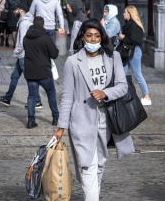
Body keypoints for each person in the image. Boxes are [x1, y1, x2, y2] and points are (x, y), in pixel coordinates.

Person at [53, 20, 134, 201]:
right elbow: (67, 97)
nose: (93, 39)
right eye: (89, 35)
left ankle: (91, 195)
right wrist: (61, 127)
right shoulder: (73, 62)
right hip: (81, 120)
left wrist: (105, 93)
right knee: (88, 165)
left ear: (102, 37)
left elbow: (122, 87)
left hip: (106, 120)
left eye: (97, 36)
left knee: (100, 164)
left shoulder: (113, 58)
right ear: (82, 37)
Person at [0, 2, 38, 108]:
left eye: (15, 10)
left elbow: (22, 41)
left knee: (29, 78)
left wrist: (16, 52)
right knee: (14, 76)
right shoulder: (24, 21)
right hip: (23, 55)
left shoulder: (24, 23)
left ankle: (36, 100)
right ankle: (8, 98)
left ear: (21, 10)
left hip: (23, 55)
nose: (14, 12)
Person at [23, 16, 59, 128]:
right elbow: (54, 54)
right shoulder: (45, 38)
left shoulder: (26, 37)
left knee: (32, 96)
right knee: (51, 94)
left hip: (30, 71)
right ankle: (56, 118)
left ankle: (30, 120)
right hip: (44, 71)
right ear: (43, 25)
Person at [118, 5, 151, 106]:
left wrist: (123, 38)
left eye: (125, 12)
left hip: (134, 52)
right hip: (126, 51)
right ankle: (120, 95)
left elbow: (135, 40)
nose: (123, 14)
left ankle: (147, 97)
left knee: (137, 74)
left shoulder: (135, 26)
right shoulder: (128, 25)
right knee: (122, 74)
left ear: (130, 13)